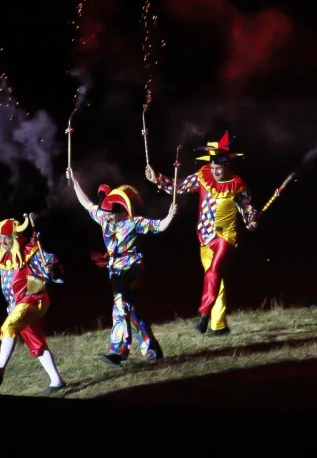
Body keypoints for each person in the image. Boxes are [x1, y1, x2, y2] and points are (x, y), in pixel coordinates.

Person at [146, 131, 258, 336]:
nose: (215, 172)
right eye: (213, 168)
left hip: (227, 237)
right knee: (215, 278)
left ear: (227, 166)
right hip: (205, 237)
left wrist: (251, 221)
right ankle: (219, 326)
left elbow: (247, 208)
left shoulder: (237, 185)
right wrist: (157, 179)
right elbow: (178, 186)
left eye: (219, 168)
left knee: (214, 271)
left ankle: (204, 314)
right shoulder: (203, 177)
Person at [68, 168, 177, 365]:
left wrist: (170, 215)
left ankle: (118, 351)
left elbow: (159, 226)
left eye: (110, 215)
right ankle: (151, 348)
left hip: (133, 267)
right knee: (131, 308)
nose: (106, 217)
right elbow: (85, 203)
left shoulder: (133, 223)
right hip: (115, 269)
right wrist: (74, 180)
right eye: (104, 214)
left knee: (120, 304)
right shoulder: (103, 217)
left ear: (119, 211)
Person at [0, 212, 66, 396]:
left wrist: (52, 269)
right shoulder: (1, 253)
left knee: (9, 326)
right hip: (17, 306)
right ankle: (57, 381)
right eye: (1, 238)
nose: (3, 242)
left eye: (7, 238)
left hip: (33, 300)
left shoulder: (31, 252)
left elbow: (53, 264)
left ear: (15, 237)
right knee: (36, 343)